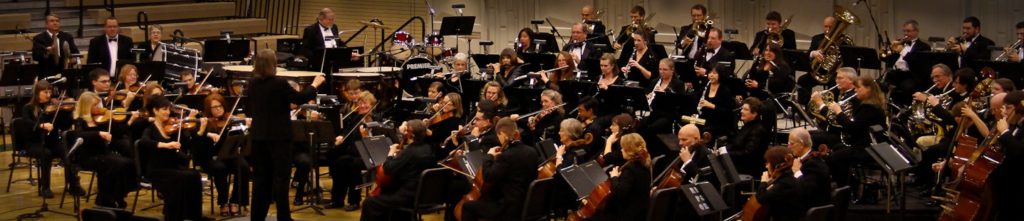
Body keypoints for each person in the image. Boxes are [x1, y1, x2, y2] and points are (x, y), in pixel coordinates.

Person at [246, 48, 325, 221]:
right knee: (281, 179)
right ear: (273, 64)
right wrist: (315, 84)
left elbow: (258, 107)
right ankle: (284, 217)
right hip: (279, 138)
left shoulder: (252, 83)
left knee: (260, 180)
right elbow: (300, 98)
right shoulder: (279, 83)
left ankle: (256, 217)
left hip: (259, 138)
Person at [138, 96, 205, 220]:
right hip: (158, 169)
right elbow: (144, 142)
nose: (168, 112)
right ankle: (175, 216)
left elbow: (185, 146)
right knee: (183, 178)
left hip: (172, 166)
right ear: (155, 110)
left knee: (195, 175)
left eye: (169, 109)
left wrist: (196, 131)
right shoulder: (150, 128)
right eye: (164, 109)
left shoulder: (171, 127)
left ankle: (194, 215)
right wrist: (165, 145)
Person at [459, 117, 540, 221]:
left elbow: (488, 176)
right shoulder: (532, 151)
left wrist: (489, 156)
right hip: (527, 206)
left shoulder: (507, 156)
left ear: (503, 134)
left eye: (499, 136)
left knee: (467, 207)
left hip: (508, 209)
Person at [70, 92, 137, 208]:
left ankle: (118, 195)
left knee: (129, 163)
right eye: (95, 105)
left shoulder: (102, 119)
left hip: (103, 153)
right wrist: (98, 133)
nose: (100, 108)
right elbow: (80, 135)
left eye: (99, 104)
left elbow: (118, 133)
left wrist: (125, 121)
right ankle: (104, 199)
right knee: (115, 164)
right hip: (88, 156)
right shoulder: (80, 120)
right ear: (87, 106)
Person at [360, 120, 436, 221]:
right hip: (425, 196)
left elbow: (388, 169)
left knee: (369, 203)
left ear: (410, 134)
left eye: (405, 131)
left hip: (408, 197)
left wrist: (390, 154)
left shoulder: (410, 151)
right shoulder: (428, 148)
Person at [193, 93, 251, 216]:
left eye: (220, 106)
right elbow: (196, 145)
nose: (218, 109)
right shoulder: (203, 122)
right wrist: (205, 133)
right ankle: (223, 202)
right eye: (214, 107)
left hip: (229, 155)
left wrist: (247, 127)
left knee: (243, 166)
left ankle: (235, 201)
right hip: (210, 157)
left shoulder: (231, 120)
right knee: (220, 168)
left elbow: (242, 139)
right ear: (209, 109)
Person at [19, 81, 78, 198]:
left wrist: (69, 113)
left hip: (53, 142)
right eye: (45, 92)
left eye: (50, 92)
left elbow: (65, 125)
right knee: (46, 154)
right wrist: (42, 125)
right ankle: (45, 187)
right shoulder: (28, 108)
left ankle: (73, 185)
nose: (48, 95)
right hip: (34, 143)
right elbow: (26, 122)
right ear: (37, 93)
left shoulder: (55, 107)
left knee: (68, 154)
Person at [827, 75, 888, 188]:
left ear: (868, 88)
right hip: (864, 145)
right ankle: (850, 183)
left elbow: (851, 128)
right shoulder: (869, 106)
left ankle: (845, 188)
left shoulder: (869, 108)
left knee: (834, 158)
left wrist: (839, 112)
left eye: (858, 87)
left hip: (868, 149)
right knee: (837, 148)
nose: (855, 90)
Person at [329, 91, 378, 210]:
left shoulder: (376, 119)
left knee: (354, 165)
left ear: (372, 105)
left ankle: (354, 201)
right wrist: (341, 138)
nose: (361, 105)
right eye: (359, 102)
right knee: (338, 162)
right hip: (355, 153)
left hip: (370, 156)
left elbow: (376, 143)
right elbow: (347, 133)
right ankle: (337, 199)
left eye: (365, 103)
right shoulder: (355, 118)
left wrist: (366, 135)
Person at [595, 133, 651, 220]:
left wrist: (614, 177)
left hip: (624, 215)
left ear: (629, 151)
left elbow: (619, 193)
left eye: (623, 148)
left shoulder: (630, 170)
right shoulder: (645, 163)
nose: (621, 150)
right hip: (637, 213)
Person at [800, 16, 851, 105]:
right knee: (802, 80)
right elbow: (808, 53)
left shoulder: (844, 41)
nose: (827, 29)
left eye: (830, 27)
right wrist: (814, 53)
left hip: (833, 74)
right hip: (818, 72)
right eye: (825, 26)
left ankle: (831, 108)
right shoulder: (816, 38)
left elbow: (847, 59)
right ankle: (805, 107)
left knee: (835, 84)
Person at [883, 19, 932, 105]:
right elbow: (888, 61)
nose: (905, 34)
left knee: (906, 87)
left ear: (916, 31)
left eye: (908, 31)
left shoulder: (923, 46)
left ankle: (904, 109)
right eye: (904, 31)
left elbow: (916, 63)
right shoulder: (900, 43)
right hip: (896, 73)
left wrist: (902, 50)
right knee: (880, 84)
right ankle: (886, 107)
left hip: (911, 75)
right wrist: (889, 52)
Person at [787, 127, 833, 209]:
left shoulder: (813, 164)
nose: (789, 147)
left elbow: (806, 191)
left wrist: (797, 171)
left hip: (809, 212)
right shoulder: (810, 160)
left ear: (801, 144)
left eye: (792, 143)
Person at [756, 146, 803, 221]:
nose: (766, 166)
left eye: (768, 162)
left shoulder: (785, 183)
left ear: (776, 164)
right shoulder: (788, 177)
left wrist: (763, 182)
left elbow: (761, 198)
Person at [728, 97, 771, 176]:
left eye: (745, 109)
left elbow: (748, 154)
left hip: (749, 168)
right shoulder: (747, 126)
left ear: (754, 113)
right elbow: (736, 144)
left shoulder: (758, 130)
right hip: (739, 162)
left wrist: (727, 154)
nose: (741, 111)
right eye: (742, 109)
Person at [697, 64, 736, 139]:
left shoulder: (725, 91)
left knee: (703, 131)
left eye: (714, 73)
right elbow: (696, 100)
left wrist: (711, 106)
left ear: (720, 75)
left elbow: (727, 112)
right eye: (710, 73)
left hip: (718, 123)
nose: (711, 75)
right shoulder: (706, 87)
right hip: (705, 119)